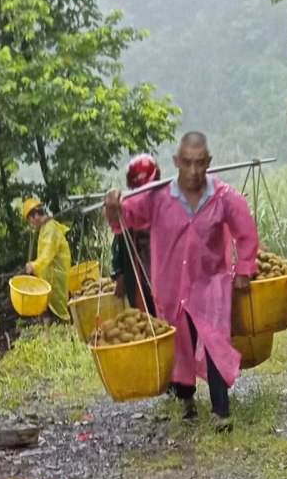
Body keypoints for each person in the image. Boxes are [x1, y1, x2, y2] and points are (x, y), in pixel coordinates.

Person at [105, 132, 259, 430]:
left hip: (210, 284)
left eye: (200, 163)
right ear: (176, 162)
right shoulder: (159, 198)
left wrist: (244, 268)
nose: (193, 171)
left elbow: (245, 230)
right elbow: (127, 216)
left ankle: (221, 411)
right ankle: (186, 401)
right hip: (172, 286)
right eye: (186, 163)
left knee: (215, 341)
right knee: (180, 344)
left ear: (208, 162)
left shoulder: (223, 196)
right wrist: (114, 208)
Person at [111, 154, 160, 314]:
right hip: (140, 281)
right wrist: (119, 274)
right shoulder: (129, 212)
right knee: (146, 319)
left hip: (166, 281)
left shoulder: (168, 209)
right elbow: (118, 245)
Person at [23, 197, 72, 323]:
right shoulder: (45, 228)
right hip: (49, 276)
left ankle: (68, 334)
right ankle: (48, 337)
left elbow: (47, 254)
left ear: (35, 216)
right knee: (47, 310)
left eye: (30, 220)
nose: (31, 224)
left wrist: (35, 266)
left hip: (56, 277)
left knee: (60, 311)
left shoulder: (50, 229)